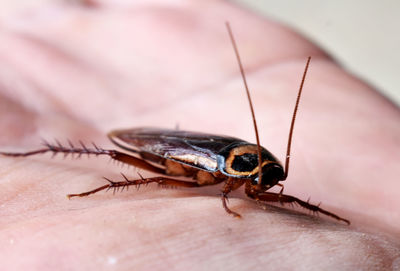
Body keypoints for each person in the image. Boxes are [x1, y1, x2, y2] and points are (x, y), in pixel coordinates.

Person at [0, 1, 399, 270]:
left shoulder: (248, 173)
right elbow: (195, 179)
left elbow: (278, 195)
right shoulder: (223, 172)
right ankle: (27, 153)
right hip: (171, 154)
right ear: (240, 171)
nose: (265, 187)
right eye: (259, 178)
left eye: (267, 178)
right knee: (140, 168)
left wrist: (329, 217)